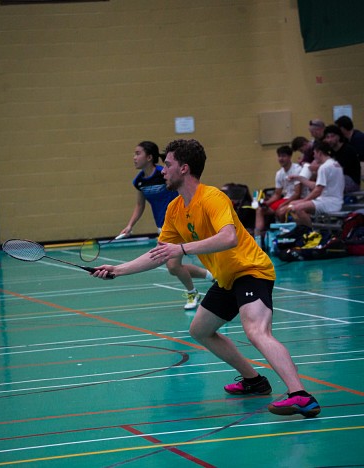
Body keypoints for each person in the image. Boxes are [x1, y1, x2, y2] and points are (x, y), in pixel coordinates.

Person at [93, 138, 321, 418]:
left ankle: (301, 395)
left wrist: (182, 248)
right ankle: (254, 381)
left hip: (251, 271)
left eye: (168, 165)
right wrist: (118, 270)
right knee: (200, 330)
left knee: (256, 331)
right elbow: (159, 254)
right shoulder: (175, 210)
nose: (163, 171)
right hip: (226, 278)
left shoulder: (212, 197)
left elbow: (228, 237)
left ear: (184, 168)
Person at [120, 141, 213, 310]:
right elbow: (140, 205)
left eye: (138, 153)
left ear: (149, 157)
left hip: (179, 225)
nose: (134, 157)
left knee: (172, 265)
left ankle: (193, 293)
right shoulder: (139, 181)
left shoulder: (165, 174)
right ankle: (211, 276)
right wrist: (130, 225)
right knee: (173, 268)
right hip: (163, 227)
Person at [288, 140, 344, 227]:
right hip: (333, 201)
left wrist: (304, 200)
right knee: (292, 204)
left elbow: (317, 190)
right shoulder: (335, 164)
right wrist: (298, 178)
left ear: (320, 153)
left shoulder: (324, 167)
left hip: (329, 202)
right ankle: (303, 228)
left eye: (314, 153)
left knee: (297, 208)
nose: (313, 156)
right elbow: (317, 186)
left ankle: (312, 230)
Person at [255, 145, 302, 237]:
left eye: (283, 156)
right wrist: (266, 203)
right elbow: (277, 195)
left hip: (298, 199)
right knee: (260, 209)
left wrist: (283, 204)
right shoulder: (279, 173)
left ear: (289, 157)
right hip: (286, 199)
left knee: (281, 211)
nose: (281, 159)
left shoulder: (297, 169)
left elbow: (297, 194)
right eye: (279, 156)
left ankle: (284, 235)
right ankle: (258, 236)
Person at [323, 124, 361, 193]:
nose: (330, 140)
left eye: (332, 136)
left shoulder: (348, 150)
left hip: (351, 181)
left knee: (325, 184)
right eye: (327, 137)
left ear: (339, 136)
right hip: (338, 179)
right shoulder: (331, 151)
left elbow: (340, 169)